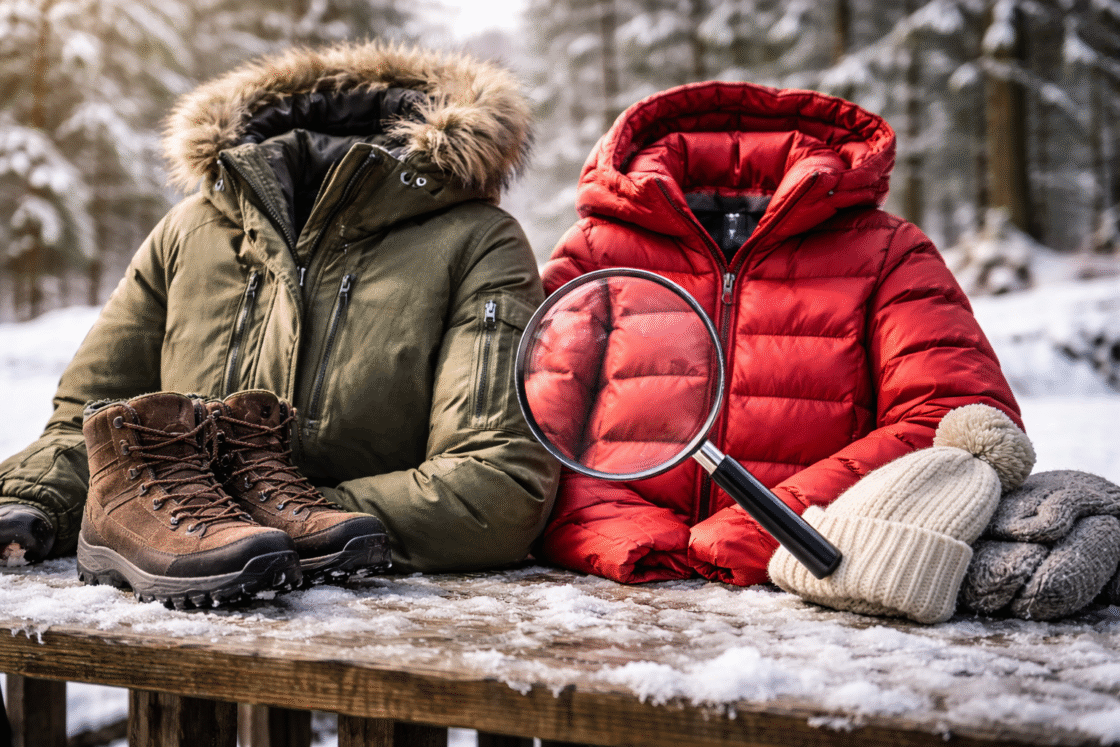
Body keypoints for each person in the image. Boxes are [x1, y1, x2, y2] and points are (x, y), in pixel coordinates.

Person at [0, 41, 559, 596]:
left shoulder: (479, 242)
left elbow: (496, 481)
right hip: (183, 595)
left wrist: (272, 517)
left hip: (369, 632)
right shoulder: (187, 233)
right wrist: (31, 499)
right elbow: (96, 423)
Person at [533, 80, 1024, 587]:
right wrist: (620, 528)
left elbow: (959, 421)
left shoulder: (889, 253)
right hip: (619, 581)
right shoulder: (596, 252)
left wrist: (767, 522)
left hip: (810, 576)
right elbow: (527, 427)